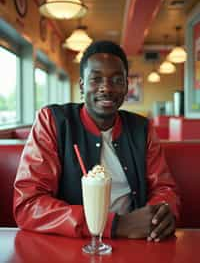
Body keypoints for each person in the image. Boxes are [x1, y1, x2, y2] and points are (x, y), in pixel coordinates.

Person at [13, 40, 180, 241]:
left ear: (127, 87)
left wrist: (162, 213)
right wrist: (115, 225)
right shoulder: (52, 121)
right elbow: (28, 204)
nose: (106, 88)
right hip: (71, 245)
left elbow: (164, 189)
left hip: (136, 242)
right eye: (96, 79)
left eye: (117, 80)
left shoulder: (142, 129)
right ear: (82, 86)